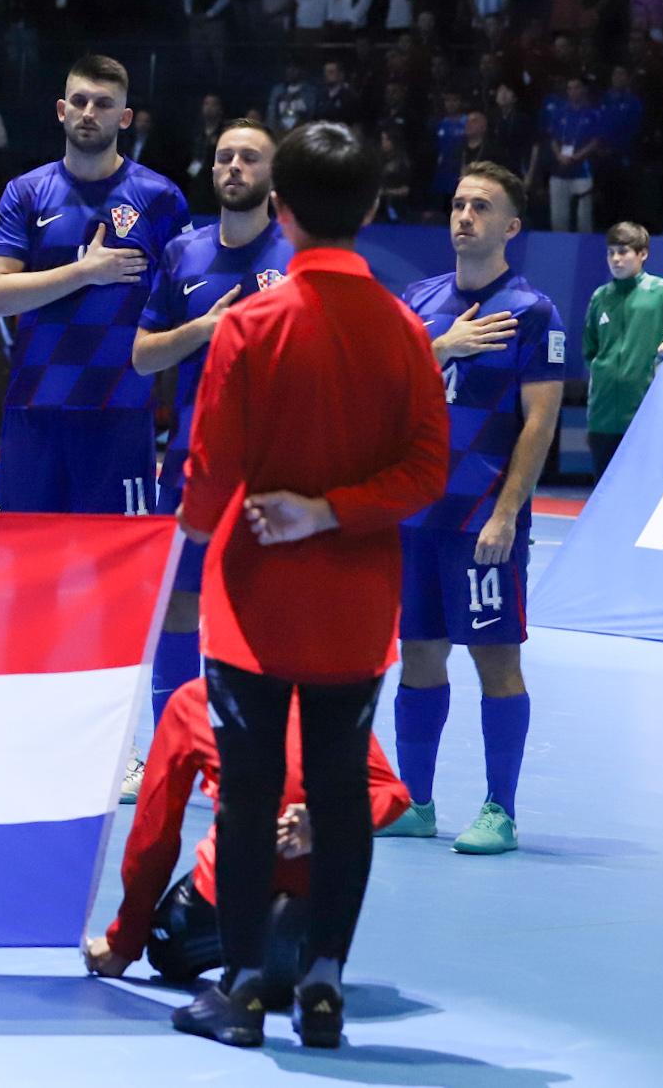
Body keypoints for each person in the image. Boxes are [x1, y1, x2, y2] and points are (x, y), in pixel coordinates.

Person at [172, 121, 448, 1049]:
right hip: (355, 607)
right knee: (335, 789)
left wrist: (205, 528)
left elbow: (208, 479)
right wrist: (331, 510)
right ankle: (322, 981)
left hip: (250, 604)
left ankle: (243, 987)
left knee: (247, 794)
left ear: (279, 211)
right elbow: (425, 471)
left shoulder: (251, 324)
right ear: (372, 209)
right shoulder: (407, 328)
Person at [383, 164, 566, 857]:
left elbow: (538, 423)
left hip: (480, 523)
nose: (463, 216)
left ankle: (499, 809)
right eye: (457, 204)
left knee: (494, 657)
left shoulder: (530, 310)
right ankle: (415, 802)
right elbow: (385, 387)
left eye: (480, 207)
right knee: (418, 653)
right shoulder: (418, 297)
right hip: (412, 517)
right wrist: (438, 346)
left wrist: (506, 513)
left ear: (510, 227)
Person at [85, 678, 411, 996]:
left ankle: (257, 944)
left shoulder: (195, 701)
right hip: (321, 887)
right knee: (343, 830)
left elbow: (154, 834)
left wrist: (124, 942)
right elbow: (393, 795)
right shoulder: (332, 693)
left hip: (233, 880)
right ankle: (310, 948)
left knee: (164, 947)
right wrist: (326, 820)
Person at [131, 120, 294, 757]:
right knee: (178, 604)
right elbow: (143, 357)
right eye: (224, 155)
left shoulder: (299, 255)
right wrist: (203, 329)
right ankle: (172, 751)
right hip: (195, 464)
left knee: (268, 610)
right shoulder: (183, 254)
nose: (233, 167)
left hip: (279, 467)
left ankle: (262, 754)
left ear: (273, 175)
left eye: (249, 158)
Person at [0, 55, 187, 515]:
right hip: (33, 410)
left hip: (120, 416)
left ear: (125, 117)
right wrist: (85, 272)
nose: (89, 112)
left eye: (103, 103)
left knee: (121, 574)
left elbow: (179, 313)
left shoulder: (161, 198)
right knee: (21, 568)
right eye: (79, 101)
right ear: (61, 110)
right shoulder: (25, 192)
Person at [582, 222, 663, 475]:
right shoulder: (600, 297)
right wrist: (605, 373)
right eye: (611, 252)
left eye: (623, 251)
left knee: (643, 487)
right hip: (602, 415)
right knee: (602, 490)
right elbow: (590, 351)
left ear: (643, 254)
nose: (615, 259)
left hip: (647, 411)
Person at [540, 76, 606, 233]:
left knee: (584, 219)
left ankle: (585, 253)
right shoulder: (559, 112)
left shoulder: (594, 113)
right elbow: (553, 138)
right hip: (559, 169)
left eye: (576, 87)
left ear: (584, 90)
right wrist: (559, 155)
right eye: (570, 88)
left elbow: (596, 141)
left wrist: (578, 155)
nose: (573, 91)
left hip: (582, 170)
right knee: (558, 219)